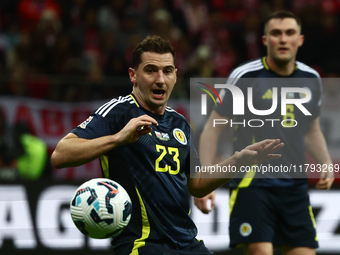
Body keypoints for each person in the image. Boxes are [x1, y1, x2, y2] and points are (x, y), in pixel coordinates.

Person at [51, 35, 283, 255]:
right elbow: (60, 155)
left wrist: (239, 160)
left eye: (167, 71)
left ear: (175, 76)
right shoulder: (119, 112)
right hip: (142, 245)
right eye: (151, 70)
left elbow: (197, 184)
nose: (160, 79)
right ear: (133, 75)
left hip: (187, 243)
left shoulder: (179, 123)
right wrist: (118, 139)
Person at [194, 11, 334, 255]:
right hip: (253, 184)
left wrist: (326, 162)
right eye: (276, 33)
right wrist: (207, 179)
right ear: (265, 40)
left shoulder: (311, 78)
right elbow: (212, 128)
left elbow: (311, 128)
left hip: (294, 187)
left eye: (289, 33)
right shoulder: (245, 76)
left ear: (299, 40)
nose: (282, 39)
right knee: (260, 250)